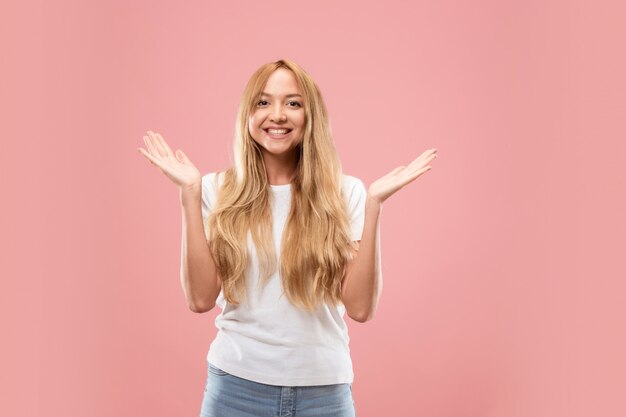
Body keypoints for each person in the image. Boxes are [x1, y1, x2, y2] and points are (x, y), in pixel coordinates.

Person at [137, 58, 438, 417]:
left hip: (324, 396)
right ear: (247, 116)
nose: (277, 114)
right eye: (263, 102)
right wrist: (188, 194)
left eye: (292, 103)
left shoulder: (347, 194)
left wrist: (374, 206)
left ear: (310, 117)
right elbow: (200, 299)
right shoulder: (216, 191)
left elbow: (360, 308)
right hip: (235, 391)